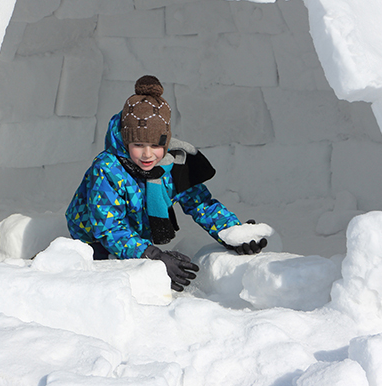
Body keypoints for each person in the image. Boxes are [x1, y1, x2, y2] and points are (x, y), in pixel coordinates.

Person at [66, 75, 267, 291]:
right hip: (92, 235)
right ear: (126, 141)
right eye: (138, 144)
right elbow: (109, 228)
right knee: (111, 275)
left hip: (136, 233)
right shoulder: (107, 169)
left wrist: (232, 233)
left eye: (155, 145)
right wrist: (153, 255)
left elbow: (200, 204)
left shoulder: (171, 164)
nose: (147, 154)